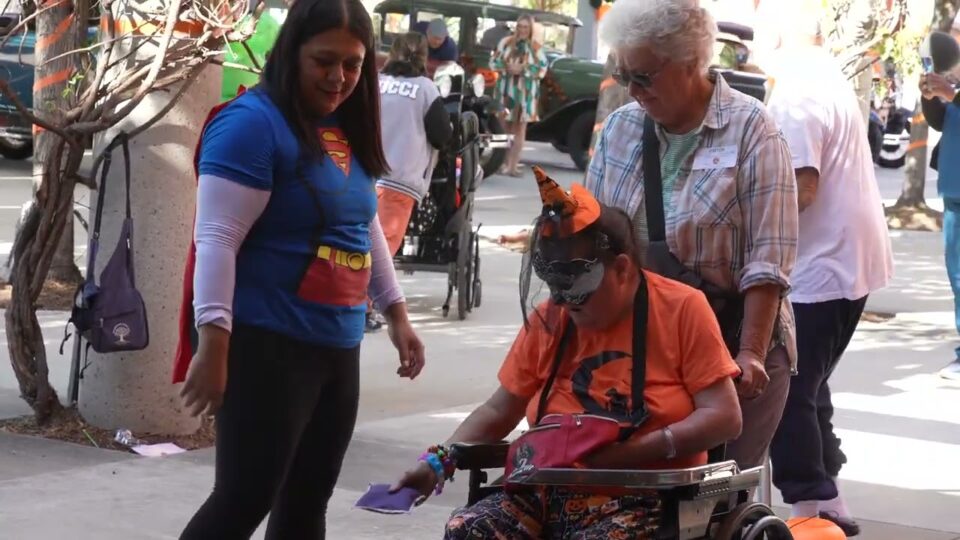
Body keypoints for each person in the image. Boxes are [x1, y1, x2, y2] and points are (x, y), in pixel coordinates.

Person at [174, 0, 426, 537]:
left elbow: (363, 226)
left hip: (337, 346)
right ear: (291, 53)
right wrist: (214, 343)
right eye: (324, 61)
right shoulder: (251, 126)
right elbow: (216, 239)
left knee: (307, 504)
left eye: (353, 65)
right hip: (267, 347)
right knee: (243, 500)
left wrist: (397, 312)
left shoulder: (343, 126)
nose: (339, 77)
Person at [391, 168, 743, 539]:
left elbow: (724, 417)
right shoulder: (552, 318)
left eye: (577, 289)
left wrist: (631, 454)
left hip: (642, 495)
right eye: (555, 287)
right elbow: (499, 410)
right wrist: (438, 462)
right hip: (545, 487)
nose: (561, 300)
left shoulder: (683, 308)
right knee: (470, 530)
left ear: (621, 269)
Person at [586, 0, 799, 472]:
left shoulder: (752, 131)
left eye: (644, 76)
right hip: (641, 345)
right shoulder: (620, 128)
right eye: (625, 77)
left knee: (711, 494)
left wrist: (751, 353)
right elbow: (595, 233)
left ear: (689, 61)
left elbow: (769, 257)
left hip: (731, 343)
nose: (634, 91)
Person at [763, 14, 893, 537]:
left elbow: (802, 187)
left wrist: (749, 234)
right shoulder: (826, 76)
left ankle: (811, 507)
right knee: (808, 383)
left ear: (775, 33)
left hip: (822, 265)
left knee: (785, 389)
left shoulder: (795, 93)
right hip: (849, 263)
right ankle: (827, 498)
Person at [367, 32, 453, 331]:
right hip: (400, 181)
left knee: (359, 242)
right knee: (383, 248)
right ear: (423, 58)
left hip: (366, 175)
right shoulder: (426, 90)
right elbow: (442, 136)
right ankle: (363, 307)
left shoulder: (377, 83)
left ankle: (356, 303)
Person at [921, 55, 960, 381]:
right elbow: (939, 119)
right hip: (953, 196)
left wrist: (951, 93)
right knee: (958, 280)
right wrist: (930, 96)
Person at [490, 14, 548, 177]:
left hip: (525, 93)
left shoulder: (535, 47)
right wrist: (506, 67)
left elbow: (543, 69)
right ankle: (499, 163)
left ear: (530, 29)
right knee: (502, 128)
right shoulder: (506, 43)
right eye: (520, 26)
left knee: (519, 129)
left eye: (525, 27)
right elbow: (493, 62)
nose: (522, 30)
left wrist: (524, 70)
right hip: (505, 91)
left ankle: (513, 165)